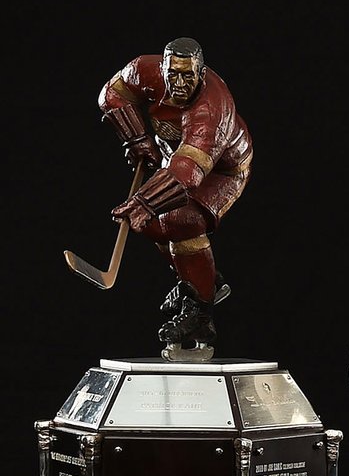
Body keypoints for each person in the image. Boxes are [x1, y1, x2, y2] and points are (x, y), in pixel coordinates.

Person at [99, 36, 253, 353]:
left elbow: (188, 174)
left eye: (188, 76)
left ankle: (200, 308)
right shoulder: (145, 69)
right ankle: (202, 283)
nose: (179, 83)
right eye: (174, 75)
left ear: (201, 72)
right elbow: (111, 95)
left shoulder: (212, 108)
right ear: (164, 68)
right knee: (151, 224)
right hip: (177, 159)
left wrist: (142, 201)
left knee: (179, 220)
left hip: (222, 170)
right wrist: (137, 138)